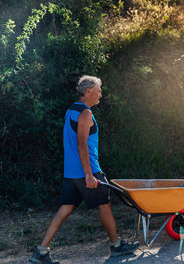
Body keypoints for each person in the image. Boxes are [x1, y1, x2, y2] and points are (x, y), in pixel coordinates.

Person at [29, 76, 139, 264]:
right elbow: (81, 144)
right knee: (104, 203)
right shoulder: (85, 113)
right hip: (87, 171)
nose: (100, 94)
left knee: (65, 208)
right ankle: (116, 245)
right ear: (88, 90)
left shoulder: (71, 110)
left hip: (71, 172)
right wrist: (89, 174)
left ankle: (41, 251)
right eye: (98, 90)